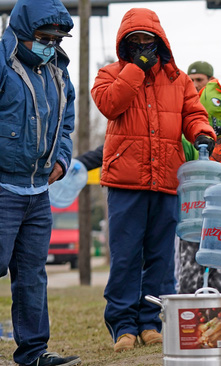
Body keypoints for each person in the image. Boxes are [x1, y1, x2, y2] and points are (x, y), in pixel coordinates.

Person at [91, 8, 216, 353]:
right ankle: (123, 326)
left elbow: (194, 113)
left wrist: (202, 132)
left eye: (149, 41)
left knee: (161, 258)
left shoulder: (179, 80)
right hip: (125, 183)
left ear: (161, 42)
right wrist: (135, 70)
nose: (144, 46)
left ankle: (151, 321)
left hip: (166, 180)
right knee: (126, 257)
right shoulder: (110, 74)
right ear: (124, 45)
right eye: (136, 42)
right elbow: (109, 104)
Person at [0, 0, 81, 365]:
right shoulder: (3, 65)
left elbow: (66, 123)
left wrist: (62, 160)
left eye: (57, 38)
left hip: (38, 193)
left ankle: (32, 354)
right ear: (22, 31)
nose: (51, 44)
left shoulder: (58, 72)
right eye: (44, 37)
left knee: (32, 278)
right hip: (3, 189)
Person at [176, 60, 221, 294]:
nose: (195, 85)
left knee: (219, 260)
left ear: (210, 81)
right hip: (193, 200)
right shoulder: (183, 112)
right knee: (189, 262)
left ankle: (219, 313)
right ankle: (188, 312)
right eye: (191, 80)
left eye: (200, 80)